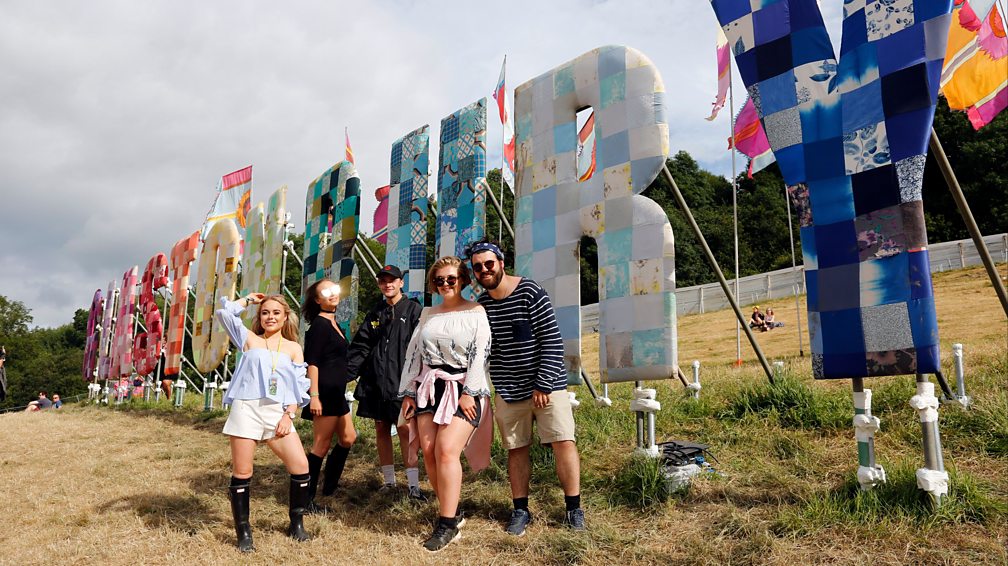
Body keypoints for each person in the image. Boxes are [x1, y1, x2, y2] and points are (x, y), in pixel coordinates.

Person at [468, 240, 586, 535]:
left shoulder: (530, 292)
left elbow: (552, 341)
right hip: (509, 391)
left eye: (489, 264)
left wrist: (543, 384)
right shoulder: (482, 306)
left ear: (501, 263)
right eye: (478, 267)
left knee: (563, 442)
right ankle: (520, 509)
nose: (484, 270)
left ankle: (573, 509)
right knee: (516, 449)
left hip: (547, 386)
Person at [399, 256, 492, 552]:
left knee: (446, 449)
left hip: (462, 388)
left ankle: (447, 524)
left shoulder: (476, 311)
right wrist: (409, 393)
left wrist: (470, 391)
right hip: (429, 387)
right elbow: (414, 353)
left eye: (451, 279)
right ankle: (452, 511)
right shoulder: (428, 313)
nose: (445, 284)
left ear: (462, 280)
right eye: (439, 280)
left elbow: (480, 353)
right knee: (429, 451)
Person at [217, 292, 312, 552]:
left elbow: (298, 387)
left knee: (301, 466)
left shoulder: (293, 348)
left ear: (285, 317)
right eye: (265, 312)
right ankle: (244, 533)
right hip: (246, 409)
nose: (270, 317)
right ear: (259, 317)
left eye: (276, 313)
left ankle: (296, 524)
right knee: (243, 472)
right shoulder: (249, 339)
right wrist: (248, 301)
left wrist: (288, 414)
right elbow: (225, 314)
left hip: (277, 413)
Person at [346, 264, 424, 499]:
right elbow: (361, 345)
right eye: (383, 280)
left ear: (401, 283)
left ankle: (413, 486)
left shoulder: (414, 310)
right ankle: (389, 481)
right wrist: (346, 374)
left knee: (405, 429)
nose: (387, 284)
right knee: (381, 428)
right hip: (376, 381)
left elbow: (421, 348)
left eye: (392, 280)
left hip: (404, 382)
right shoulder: (375, 313)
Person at [300, 279, 357, 513]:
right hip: (323, 393)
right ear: (317, 299)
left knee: (348, 437)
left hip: (337, 393)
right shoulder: (319, 326)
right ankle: (305, 500)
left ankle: (330, 486)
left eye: (334, 289)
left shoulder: (334, 322)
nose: (332, 294)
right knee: (320, 446)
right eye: (325, 291)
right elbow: (312, 363)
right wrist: (314, 396)